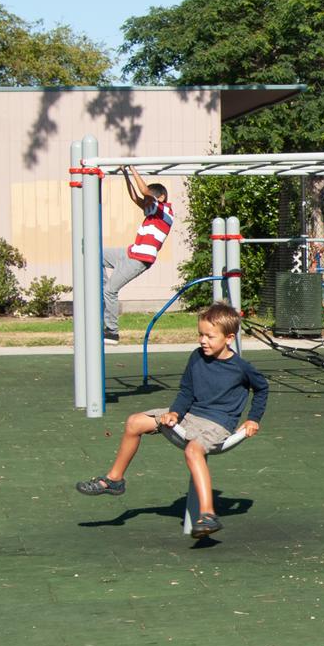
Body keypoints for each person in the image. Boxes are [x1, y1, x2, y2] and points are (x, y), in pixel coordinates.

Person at [76, 302, 268, 538]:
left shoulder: (241, 367)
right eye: (200, 334)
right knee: (134, 422)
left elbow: (262, 389)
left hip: (216, 424)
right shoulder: (197, 357)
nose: (202, 340)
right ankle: (114, 479)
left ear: (229, 338)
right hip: (189, 415)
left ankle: (207, 514)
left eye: (209, 336)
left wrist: (253, 419)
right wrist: (175, 413)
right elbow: (186, 392)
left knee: (193, 451)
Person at [102, 165, 174, 342]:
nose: (146, 203)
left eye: (150, 199)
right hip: (130, 252)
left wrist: (131, 167)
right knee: (96, 254)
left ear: (161, 198)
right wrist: (125, 174)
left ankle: (112, 332)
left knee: (111, 290)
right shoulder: (151, 212)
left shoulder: (165, 211)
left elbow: (143, 191)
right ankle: (102, 293)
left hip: (140, 259)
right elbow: (135, 196)